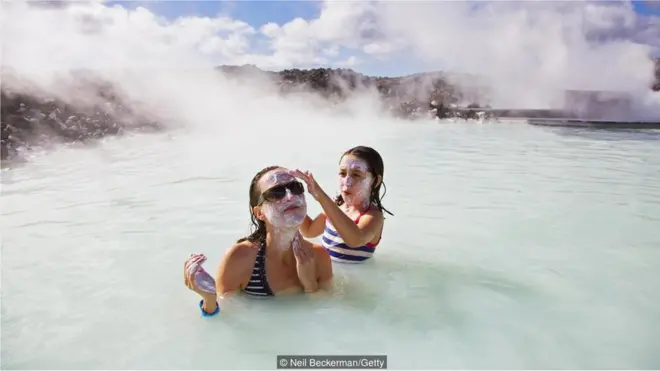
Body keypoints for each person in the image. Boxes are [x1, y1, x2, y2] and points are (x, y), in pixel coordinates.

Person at [183, 165, 333, 317]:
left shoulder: (319, 256)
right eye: (276, 192)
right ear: (259, 213)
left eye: (295, 187)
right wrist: (209, 298)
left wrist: (310, 285)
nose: (290, 196)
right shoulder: (239, 258)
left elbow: (331, 315)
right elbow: (224, 322)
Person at [294, 146, 393, 263]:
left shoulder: (373, 217)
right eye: (342, 173)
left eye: (356, 175)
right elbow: (309, 231)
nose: (347, 182)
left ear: (375, 181)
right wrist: (294, 203)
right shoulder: (335, 206)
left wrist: (322, 197)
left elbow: (355, 239)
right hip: (327, 273)